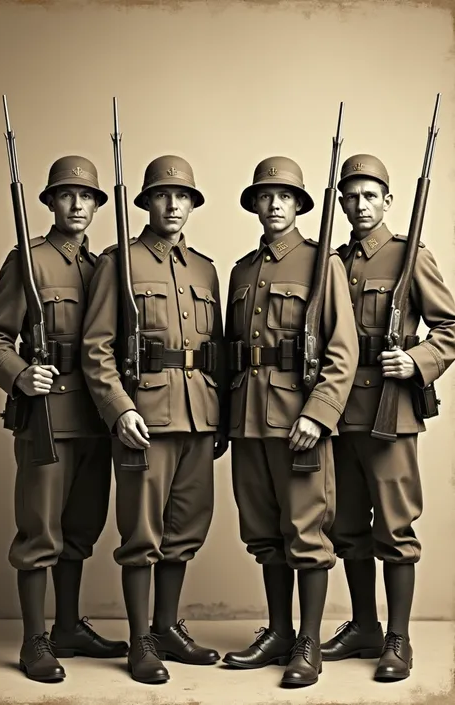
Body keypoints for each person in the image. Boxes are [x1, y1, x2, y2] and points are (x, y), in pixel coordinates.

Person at [0, 156, 128, 682]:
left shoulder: (107, 266)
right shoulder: (29, 260)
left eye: (87, 197)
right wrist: (20, 375)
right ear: (49, 202)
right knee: (40, 533)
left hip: (97, 415)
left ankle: (68, 625)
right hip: (47, 415)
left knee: (82, 529)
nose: (78, 205)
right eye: (67, 195)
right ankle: (34, 640)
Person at [81, 155, 226, 685]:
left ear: (192, 204)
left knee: (185, 529)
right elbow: (96, 348)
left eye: (183, 196)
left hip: (199, 417)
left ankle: (167, 628)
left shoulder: (205, 268)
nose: (174, 204)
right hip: (145, 417)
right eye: (163, 195)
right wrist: (119, 409)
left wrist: (222, 422)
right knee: (141, 533)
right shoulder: (117, 262)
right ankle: (140, 640)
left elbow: (220, 351)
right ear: (145, 203)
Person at [221, 156, 358, 687]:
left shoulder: (324, 264)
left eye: (285, 197)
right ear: (254, 203)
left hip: (298, 421)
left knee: (306, 535)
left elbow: (341, 353)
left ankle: (307, 643)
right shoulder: (241, 270)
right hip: (248, 421)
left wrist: (319, 416)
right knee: (262, 533)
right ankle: (278, 632)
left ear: (300, 205)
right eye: (265, 196)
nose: (274, 204)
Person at [321, 154, 455, 681]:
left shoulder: (409, 256)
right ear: (340, 203)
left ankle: (398, 639)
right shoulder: (330, 260)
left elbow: (450, 327)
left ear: (388, 201)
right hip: (338, 411)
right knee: (347, 527)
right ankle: (363, 627)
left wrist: (417, 360)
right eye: (350, 196)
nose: (359, 205)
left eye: (369, 195)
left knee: (395, 528)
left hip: (390, 412)